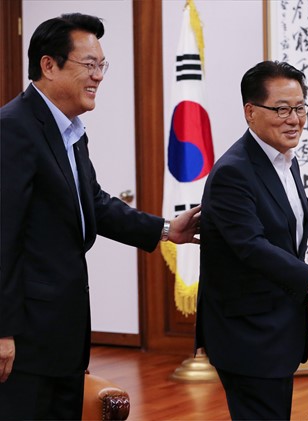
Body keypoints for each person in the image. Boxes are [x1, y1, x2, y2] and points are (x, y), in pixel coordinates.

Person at [0, 13, 201, 420]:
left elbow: (94, 203)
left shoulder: (71, 131)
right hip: (25, 337)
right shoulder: (13, 128)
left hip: (63, 334)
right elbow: (2, 237)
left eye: (101, 65)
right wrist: (2, 331)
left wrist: (166, 229)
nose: (98, 76)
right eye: (89, 64)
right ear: (49, 65)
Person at [196, 60, 308, 420]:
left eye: (300, 108)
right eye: (282, 109)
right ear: (250, 112)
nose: (295, 119)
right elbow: (251, 247)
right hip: (248, 333)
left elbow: (285, 240)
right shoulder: (233, 171)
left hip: (278, 328)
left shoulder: (286, 161)